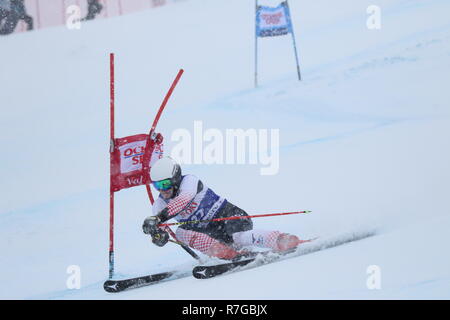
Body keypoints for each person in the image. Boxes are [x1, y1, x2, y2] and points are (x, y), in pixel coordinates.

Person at [142, 157, 304, 260]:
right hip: (213, 236)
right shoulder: (159, 205)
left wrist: (158, 219)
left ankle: (282, 240)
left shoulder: (189, 181)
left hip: (229, 217)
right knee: (179, 233)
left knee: (239, 237)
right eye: (157, 185)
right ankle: (228, 255)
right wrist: (157, 235)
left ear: (176, 178)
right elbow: (161, 237)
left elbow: (183, 200)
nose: (162, 189)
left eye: (165, 183)